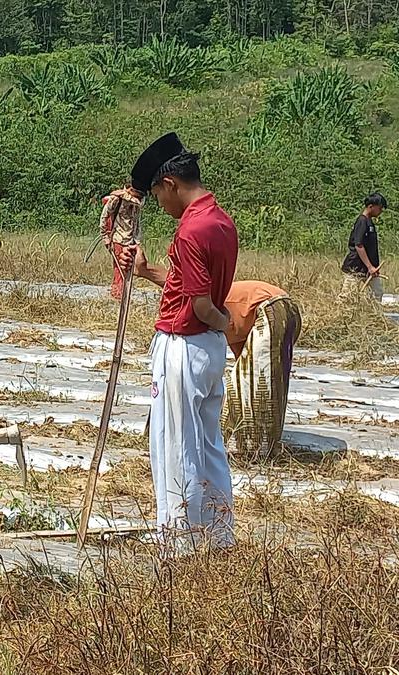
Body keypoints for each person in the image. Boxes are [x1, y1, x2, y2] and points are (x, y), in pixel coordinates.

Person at [124, 132, 238, 552]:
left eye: (157, 195)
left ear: (169, 184)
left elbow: (204, 305)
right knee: (208, 443)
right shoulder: (220, 221)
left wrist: (226, 323)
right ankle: (218, 534)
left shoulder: (190, 230)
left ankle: (179, 541)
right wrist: (148, 270)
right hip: (206, 348)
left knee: (174, 446)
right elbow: (189, 286)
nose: (160, 205)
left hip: (184, 344)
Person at [221, 281, 302, 460]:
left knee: (259, 382)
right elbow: (241, 360)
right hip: (287, 308)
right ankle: (259, 441)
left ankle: (251, 447)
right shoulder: (232, 329)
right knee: (255, 380)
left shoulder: (209, 310)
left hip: (271, 309)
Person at [99, 184, 144, 300]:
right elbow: (105, 216)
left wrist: (138, 240)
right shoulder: (117, 199)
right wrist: (105, 236)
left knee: (128, 271)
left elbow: (137, 221)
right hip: (119, 239)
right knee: (120, 269)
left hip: (132, 240)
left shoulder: (138, 201)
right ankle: (118, 295)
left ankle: (122, 295)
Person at [341, 192, 388, 302]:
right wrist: (370, 266)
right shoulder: (362, 221)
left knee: (377, 293)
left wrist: (372, 267)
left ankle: (373, 317)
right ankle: (340, 316)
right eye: (380, 208)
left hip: (369, 268)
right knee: (347, 296)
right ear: (371, 206)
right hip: (355, 266)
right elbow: (359, 245)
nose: (381, 211)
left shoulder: (370, 222)